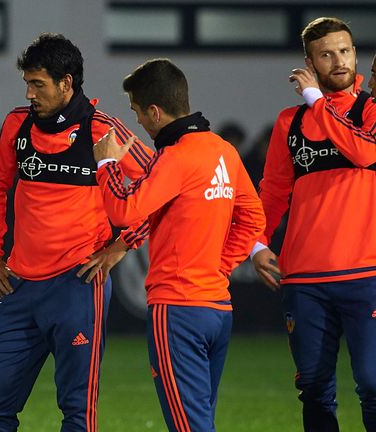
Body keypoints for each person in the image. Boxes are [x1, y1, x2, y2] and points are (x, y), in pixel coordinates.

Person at [0, 33, 154, 431]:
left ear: (67, 83)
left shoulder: (103, 131)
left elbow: (161, 185)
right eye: (27, 83)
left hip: (78, 285)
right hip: (19, 289)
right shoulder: (17, 125)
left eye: (38, 84)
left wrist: (121, 247)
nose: (29, 93)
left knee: (77, 410)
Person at [93, 58, 265, 431]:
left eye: (137, 111)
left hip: (177, 310)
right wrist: (221, 267)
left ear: (155, 111)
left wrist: (106, 165)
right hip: (218, 307)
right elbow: (253, 218)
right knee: (200, 421)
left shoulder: (176, 157)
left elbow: (125, 210)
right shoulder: (222, 150)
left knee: (189, 426)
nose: (137, 120)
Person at [251, 17, 376, 431]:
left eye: (345, 51)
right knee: (314, 387)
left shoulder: (371, 111)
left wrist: (313, 99)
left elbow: (361, 153)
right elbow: (272, 192)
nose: (338, 61)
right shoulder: (291, 122)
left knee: (373, 385)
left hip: (367, 273)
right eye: (327, 54)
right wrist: (257, 244)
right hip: (304, 279)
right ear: (310, 61)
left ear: (356, 54)